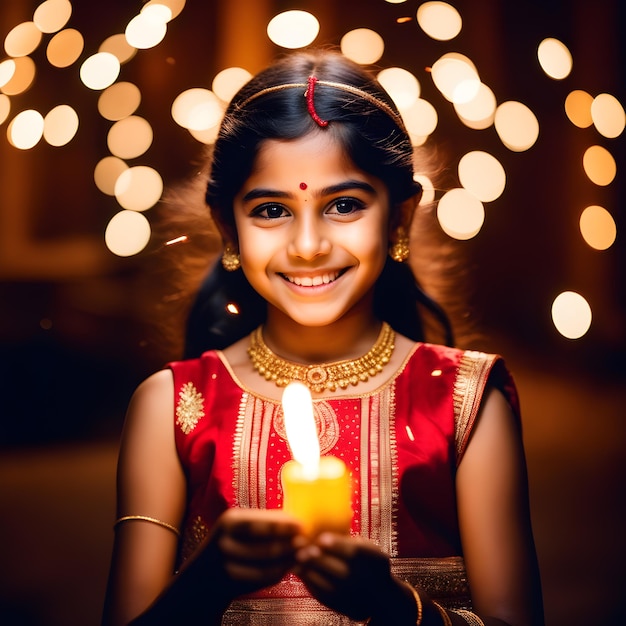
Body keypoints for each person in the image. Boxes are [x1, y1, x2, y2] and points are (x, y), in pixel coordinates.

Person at [102, 49, 544, 626]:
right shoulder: (170, 407)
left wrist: (394, 608)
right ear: (225, 227)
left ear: (400, 218)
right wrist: (206, 583)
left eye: (342, 205)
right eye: (269, 210)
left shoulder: (465, 404)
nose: (308, 244)